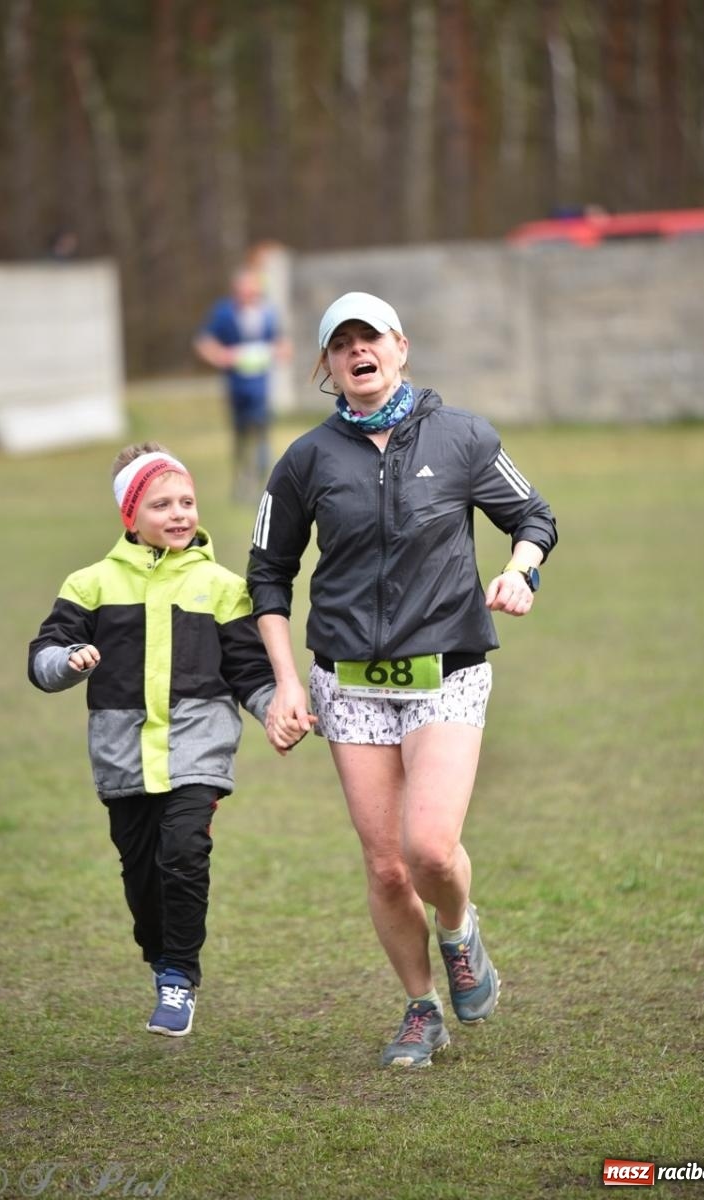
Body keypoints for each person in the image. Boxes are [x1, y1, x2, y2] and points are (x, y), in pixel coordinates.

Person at [247, 292, 558, 1068]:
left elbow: (533, 517)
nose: (358, 350)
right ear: (325, 365)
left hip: (445, 671)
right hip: (346, 683)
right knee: (386, 867)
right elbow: (267, 575)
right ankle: (421, 1009)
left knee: (428, 848)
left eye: (370, 337)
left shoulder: (461, 437)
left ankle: (458, 932)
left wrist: (520, 573)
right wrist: (287, 683)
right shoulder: (305, 460)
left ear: (400, 348)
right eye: (340, 343)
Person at [28, 442, 305, 1038]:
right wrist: (70, 661)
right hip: (122, 758)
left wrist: (273, 712)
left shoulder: (223, 587)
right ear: (129, 515)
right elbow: (42, 657)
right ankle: (160, 957)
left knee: (183, 849)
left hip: (197, 750)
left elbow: (248, 671)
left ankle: (179, 974)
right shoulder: (90, 584)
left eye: (186, 500)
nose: (179, 513)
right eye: (161, 504)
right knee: (141, 873)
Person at [194, 266, 290, 498]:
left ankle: (263, 484)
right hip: (237, 388)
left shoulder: (268, 313)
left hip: (261, 388)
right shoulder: (224, 313)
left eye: (251, 289)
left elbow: (284, 345)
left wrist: (274, 352)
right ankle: (241, 480)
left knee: (262, 434)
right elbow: (203, 342)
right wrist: (223, 357)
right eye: (242, 290)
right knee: (240, 436)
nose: (247, 294)